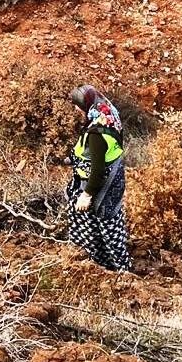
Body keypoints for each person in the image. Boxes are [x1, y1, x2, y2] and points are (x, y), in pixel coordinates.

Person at [67, 84, 131, 272]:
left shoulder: (97, 133)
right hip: (111, 184)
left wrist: (86, 195)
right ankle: (102, 264)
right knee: (106, 226)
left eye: (77, 106)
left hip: (101, 188)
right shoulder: (107, 118)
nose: (76, 110)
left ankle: (114, 269)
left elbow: (97, 169)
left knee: (105, 229)